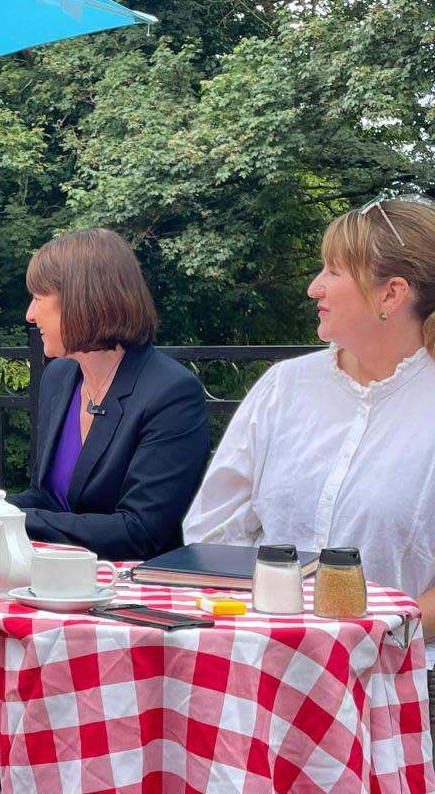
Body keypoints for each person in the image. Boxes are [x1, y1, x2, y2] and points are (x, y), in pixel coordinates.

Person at [184, 197, 435, 657]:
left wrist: (374, 641)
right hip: (263, 663)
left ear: (391, 294)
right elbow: (214, 530)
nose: (314, 288)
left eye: (333, 271)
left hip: (401, 679)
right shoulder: (285, 387)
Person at [0, 228, 210, 562]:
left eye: (38, 297)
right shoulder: (59, 377)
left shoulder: (172, 393)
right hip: (57, 576)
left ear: (83, 300)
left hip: (134, 593)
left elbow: (141, 532)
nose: (29, 315)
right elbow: (48, 498)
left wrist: (13, 519)